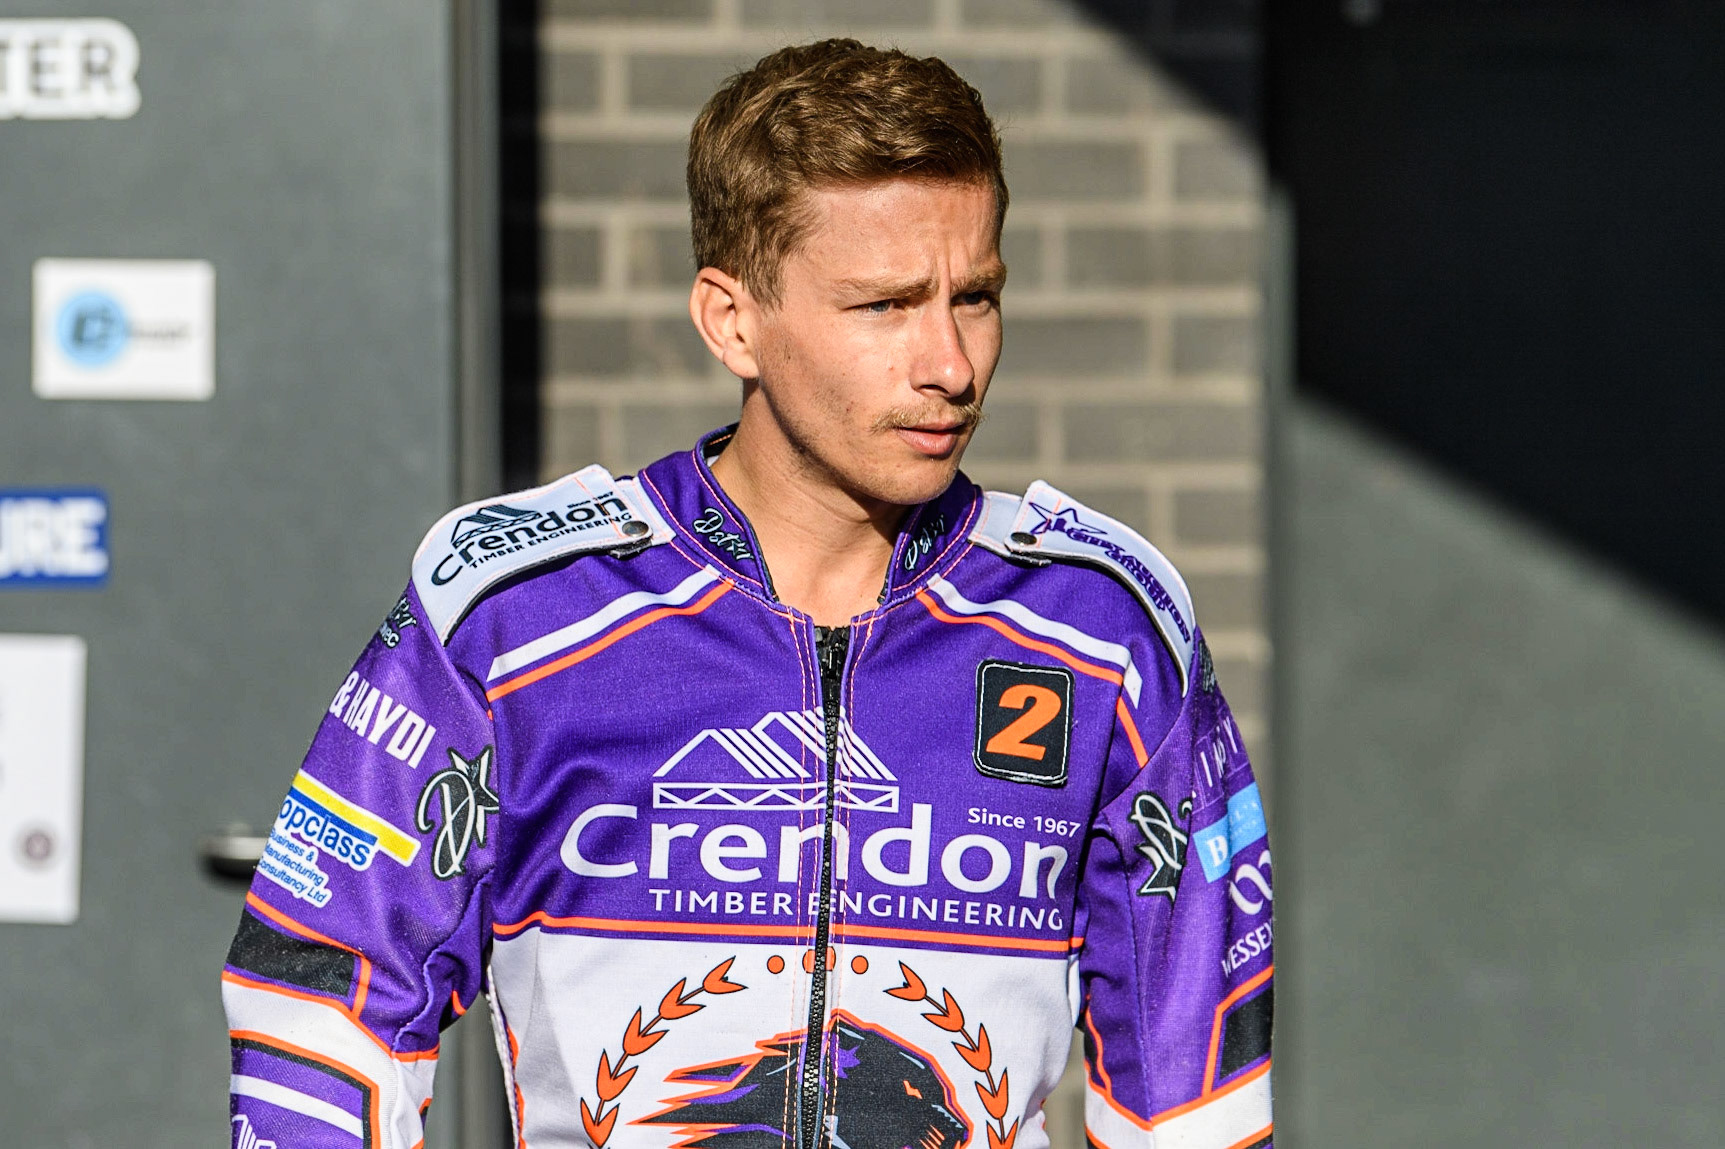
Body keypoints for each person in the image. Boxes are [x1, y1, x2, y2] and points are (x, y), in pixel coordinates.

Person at [221, 39, 1273, 1149]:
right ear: (732, 321)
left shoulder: (1107, 625)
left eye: (975, 297)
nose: (950, 365)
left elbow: (1193, 1096)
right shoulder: (513, 611)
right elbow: (323, 1003)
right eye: (884, 305)